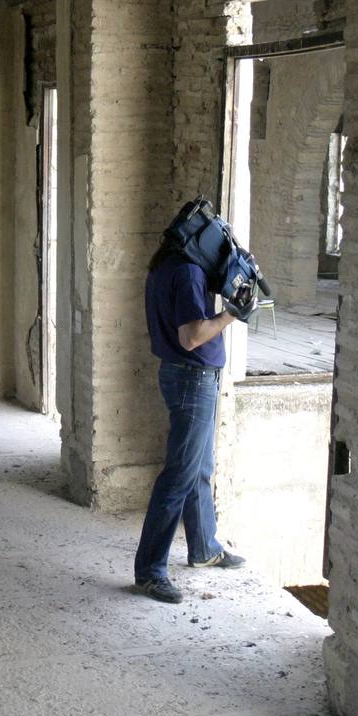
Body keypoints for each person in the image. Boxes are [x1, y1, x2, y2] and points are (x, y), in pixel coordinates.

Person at [133, 232, 254, 604]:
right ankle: (150, 571)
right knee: (179, 476)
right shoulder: (187, 272)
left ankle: (204, 546)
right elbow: (191, 336)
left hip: (186, 375)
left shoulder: (167, 263)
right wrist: (232, 313)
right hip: (192, 377)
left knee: (199, 466)